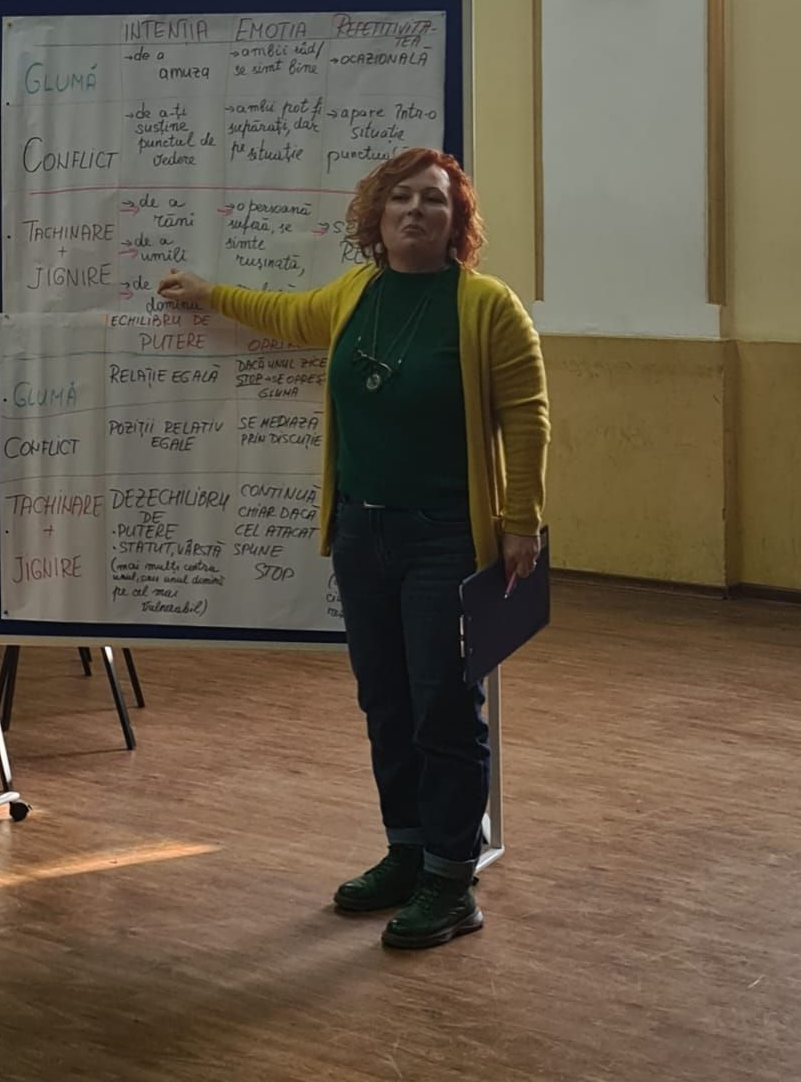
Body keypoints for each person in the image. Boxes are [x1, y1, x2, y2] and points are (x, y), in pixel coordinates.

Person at [157, 147, 550, 951]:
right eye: (400, 197)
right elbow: (286, 314)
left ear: (457, 220)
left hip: (447, 537)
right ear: (377, 215)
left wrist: (521, 521)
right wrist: (209, 294)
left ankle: (451, 878)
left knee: (445, 707)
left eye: (434, 200)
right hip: (361, 534)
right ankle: (407, 852)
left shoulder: (486, 305)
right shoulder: (354, 293)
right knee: (386, 703)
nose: (415, 210)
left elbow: (528, 413)